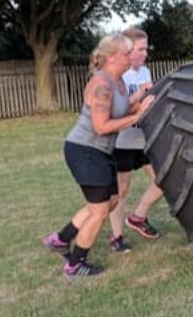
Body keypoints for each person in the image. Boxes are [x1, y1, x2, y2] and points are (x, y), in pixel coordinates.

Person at [43, 32, 155, 278]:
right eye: (127, 53)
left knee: (111, 200)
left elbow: (123, 109)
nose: (132, 57)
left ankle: (61, 239)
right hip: (85, 151)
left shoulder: (120, 82)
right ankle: (75, 264)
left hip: (101, 152)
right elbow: (102, 126)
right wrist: (137, 117)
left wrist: (142, 102)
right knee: (100, 211)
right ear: (112, 57)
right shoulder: (101, 85)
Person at [106, 27, 164, 253]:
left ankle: (138, 216)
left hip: (143, 139)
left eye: (146, 49)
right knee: (121, 191)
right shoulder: (118, 74)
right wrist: (140, 97)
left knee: (165, 179)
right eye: (141, 49)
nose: (145, 53)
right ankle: (116, 237)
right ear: (128, 50)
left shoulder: (145, 72)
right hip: (121, 141)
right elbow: (117, 109)